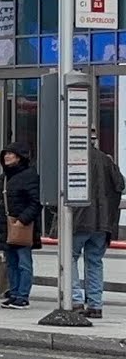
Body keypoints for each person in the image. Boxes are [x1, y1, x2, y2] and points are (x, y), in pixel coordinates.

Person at [71, 129, 124, 319]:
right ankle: (95, 304)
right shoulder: (107, 160)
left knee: (70, 258)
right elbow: (120, 185)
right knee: (94, 261)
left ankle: (75, 300)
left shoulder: (73, 159)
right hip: (102, 222)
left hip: (78, 219)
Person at [0, 142, 41, 309]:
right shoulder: (4, 177)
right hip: (7, 225)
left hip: (22, 226)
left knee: (23, 262)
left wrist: (22, 220)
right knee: (11, 262)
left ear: (19, 157)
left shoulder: (29, 175)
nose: (6, 157)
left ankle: (23, 296)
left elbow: (35, 202)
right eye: (5, 154)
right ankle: (13, 293)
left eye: (10, 154)